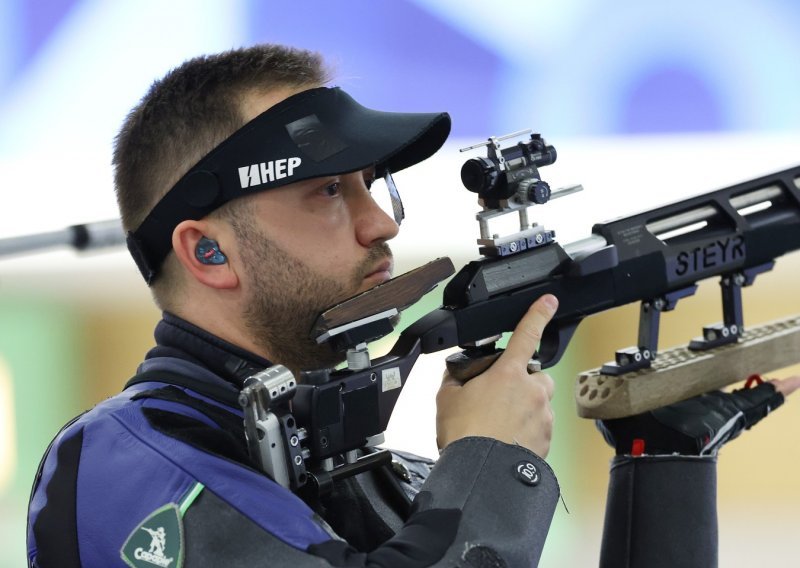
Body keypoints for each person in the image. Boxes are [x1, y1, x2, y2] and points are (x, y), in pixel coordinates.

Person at [25, 44, 798, 567]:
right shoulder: (120, 467)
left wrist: (661, 467)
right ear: (209, 252)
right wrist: (493, 463)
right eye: (328, 191)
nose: (382, 222)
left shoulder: (358, 470)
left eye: (373, 185)